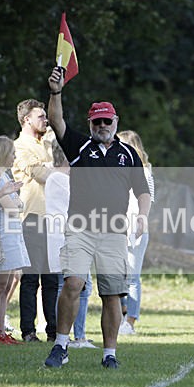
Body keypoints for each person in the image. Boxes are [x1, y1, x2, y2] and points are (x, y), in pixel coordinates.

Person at [43, 67, 151, 369]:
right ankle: (61, 345)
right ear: (90, 123)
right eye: (97, 121)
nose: (102, 125)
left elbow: (143, 190)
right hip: (80, 229)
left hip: (114, 232)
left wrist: (143, 216)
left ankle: (109, 354)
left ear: (116, 122)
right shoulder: (79, 146)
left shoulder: (128, 154)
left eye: (107, 121)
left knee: (112, 294)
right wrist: (56, 92)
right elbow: (56, 121)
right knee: (73, 283)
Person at [12, 99, 58, 342]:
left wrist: (50, 165)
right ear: (26, 119)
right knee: (31, 278)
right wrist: (53, 168)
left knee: (52, 278)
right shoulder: (19, 146)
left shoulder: (47, 143)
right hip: (32, 217)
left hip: (53, 218)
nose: (45, 120)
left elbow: (57, 167)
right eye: (40, 116)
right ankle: (28, 330)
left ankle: (54, 330)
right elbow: (41, 174)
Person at [45, 139, 95, 348]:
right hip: (64, 238)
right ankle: (70, 336)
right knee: (68, 285)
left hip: (76, 237)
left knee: (83, 286)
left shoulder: (63, 178)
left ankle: (77, 335)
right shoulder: (58, 178)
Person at [0, 136, 27, 345]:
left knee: (7, 285)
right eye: (12, 153)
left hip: (12, 234)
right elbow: (12, 207)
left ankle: (1, 329)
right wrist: (16, 201)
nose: (14, 157)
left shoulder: (5, 177)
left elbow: (19, 204)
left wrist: (16, 201)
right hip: (2, 236)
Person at [116, 130, 155, 335]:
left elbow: (146, 201)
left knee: (132, 277)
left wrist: (136, 226)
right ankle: (121, 315)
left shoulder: (144, 172)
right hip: (118, 228)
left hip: (135, 229)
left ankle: (130, 321)